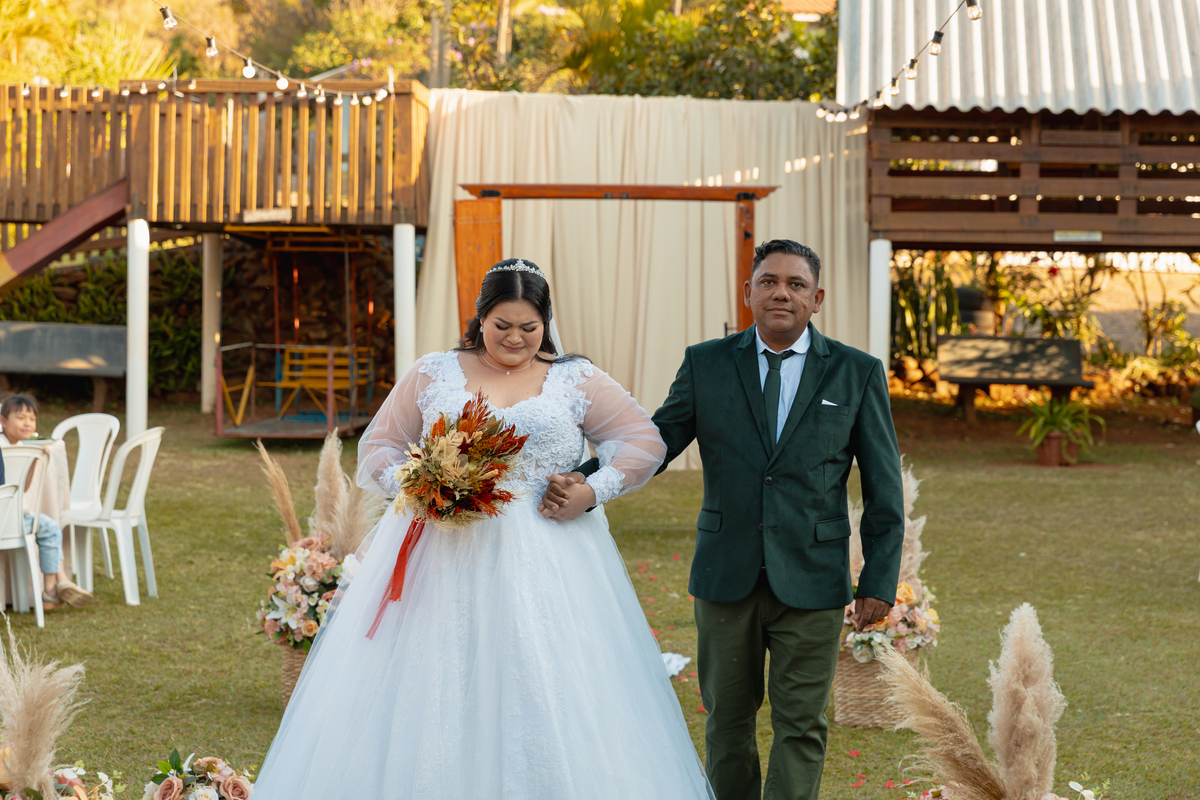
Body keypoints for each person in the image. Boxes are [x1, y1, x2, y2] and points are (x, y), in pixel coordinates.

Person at [252, 259, 714, 799]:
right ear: (479, 319)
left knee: (541, 671)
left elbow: (644, 442)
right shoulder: (435, 371)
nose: (515, 338)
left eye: (528, 327)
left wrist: (591, 490)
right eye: (502, 326)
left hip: (549, 550)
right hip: (445, 549)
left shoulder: (574, 378)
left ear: (545, 323)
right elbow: (377, 446)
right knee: (437, 671)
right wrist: (420, 483)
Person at [542, 239, 904, 800]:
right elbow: (654, 443)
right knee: (727, 724)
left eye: (796, 284)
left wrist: (879, 579)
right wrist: (589, 481)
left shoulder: (857, 373)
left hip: (813, 580)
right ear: (749, 292)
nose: (781, 292)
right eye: (769, 281)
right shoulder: (706, 363)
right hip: (725, 576)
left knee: (801, 726)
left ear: (817, 297)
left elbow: (885, 487)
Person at [0, 394, 96, 609]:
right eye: (21, 417)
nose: (27, 423)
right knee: (50, 527)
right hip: (8, 520)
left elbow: (22, 487)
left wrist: (34, 460)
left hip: (10, 518)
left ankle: (57, 584)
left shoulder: (19, 446)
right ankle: (52, 589)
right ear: (3, 421)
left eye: (32, 418)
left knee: (46, 526)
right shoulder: (4, 446)